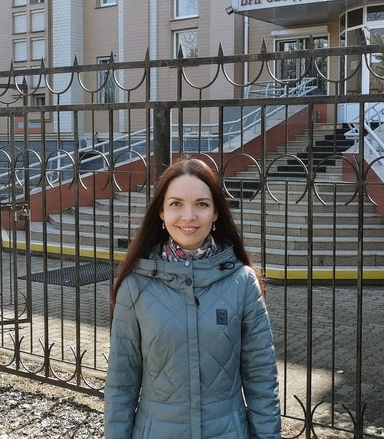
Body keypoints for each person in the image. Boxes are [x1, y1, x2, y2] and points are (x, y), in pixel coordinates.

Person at [104, 158, 281, 439]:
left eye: (201, 204)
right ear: (161, 212)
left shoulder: (242, 282)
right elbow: (121, 382)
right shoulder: (135, 285)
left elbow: (261, 379)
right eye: (176, 203)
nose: (189, 216)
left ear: (215, 213)